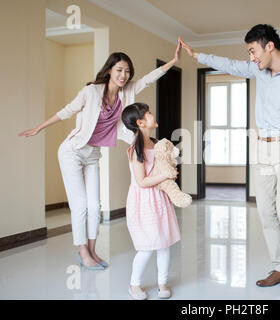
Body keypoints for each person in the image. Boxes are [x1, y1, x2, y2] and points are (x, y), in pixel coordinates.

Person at [18, 39, 182, 270]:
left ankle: (92, 251)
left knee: (95, 206)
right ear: (109, 70)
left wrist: (173, 61)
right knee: (81, 205)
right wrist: (39, 128)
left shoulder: (126, 92)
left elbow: (148, 79)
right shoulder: (91, 92)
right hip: (72, 151)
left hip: (93, 153)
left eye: (127, 71)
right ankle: (82, 252)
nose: (123, 75)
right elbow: (65, 112)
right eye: (119, 70)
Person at [180, 24, 280, 290]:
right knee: (265, 210)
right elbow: (231, 65)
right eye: (249, 53)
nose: (251, 58)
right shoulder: (259, 69)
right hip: (262, 148)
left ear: (270, 46)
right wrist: (197, 56)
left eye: (253, 51)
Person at [121, 102, 181, 300]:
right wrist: (165, 176)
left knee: (164, 243)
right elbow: (143, 181)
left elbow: (165, 165)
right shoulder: (135, 150)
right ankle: (134, 284)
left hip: (160, 199)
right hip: (144, 202)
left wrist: (169, 172)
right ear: (140, 122)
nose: (152, 114)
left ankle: (162, 282)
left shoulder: (157, 144)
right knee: (147, 247)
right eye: (148, 113)